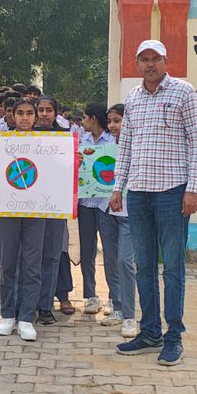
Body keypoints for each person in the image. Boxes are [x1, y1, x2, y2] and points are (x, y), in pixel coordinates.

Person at [110, 40, 197, 367]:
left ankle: (173, 336)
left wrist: (192, 189)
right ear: (137, 64)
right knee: (144, 266)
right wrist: (118, 186)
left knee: (173, 267)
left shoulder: (183, 92)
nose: (150, 65)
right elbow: (126, 147)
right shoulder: (133, 99)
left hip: (172, 193)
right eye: (144, 60)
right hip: (138, 193)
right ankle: (149, 331)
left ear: (166, 61)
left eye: (155, 59)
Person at [0, 98, 46, 342]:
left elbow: (57, 170)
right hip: (7, 209)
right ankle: (7, 314)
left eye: (29, 113)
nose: (25, 118)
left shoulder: (48, 144)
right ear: (12, 116)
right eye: (20, 113)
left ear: (36, 117)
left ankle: (26, 316)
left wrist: (72, 162)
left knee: (32, 264)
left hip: (37, 210)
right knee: (8, 262)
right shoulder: (0, 143)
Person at [35, 95, 73, 323]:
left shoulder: (66, 138)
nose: (44, 114)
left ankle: (47, 305)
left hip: (55, 205)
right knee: (30, 257)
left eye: (49, 109)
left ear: (56, 113)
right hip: (28, 207)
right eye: (40, 109)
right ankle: (29, 304)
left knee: (52, 255)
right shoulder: (22, 137)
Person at [76, 103, 113, 318]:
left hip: (106, 203)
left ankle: (112, 296)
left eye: (84, 118)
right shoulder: (83, 140)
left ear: (93, 119)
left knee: (110, 251)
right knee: (87, 251)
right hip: (85, 204)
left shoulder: (112, 141)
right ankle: (91, 294)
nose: (82, 122)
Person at [106, 104, 139, 339]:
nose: (113, 126)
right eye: (110, 121)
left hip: (130, 213)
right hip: (106, 211)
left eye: (117, 120)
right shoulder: (105, 147)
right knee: (110, 262)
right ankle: (117, 307)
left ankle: (129, 316)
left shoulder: (138, 146)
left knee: (125, 262)